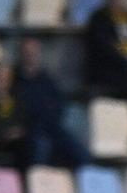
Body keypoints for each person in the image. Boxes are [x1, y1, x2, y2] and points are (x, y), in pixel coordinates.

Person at [12, 40, 87, 171]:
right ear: (20, 54)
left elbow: (58, 106)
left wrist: (48, 121)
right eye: (27, 52)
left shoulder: (47, 80)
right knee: (41, 147)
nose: (30, 55)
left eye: (33, 53)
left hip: (50, 127)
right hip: (28, 129)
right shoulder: (13, 81)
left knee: (81, 154)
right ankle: (38, 185)